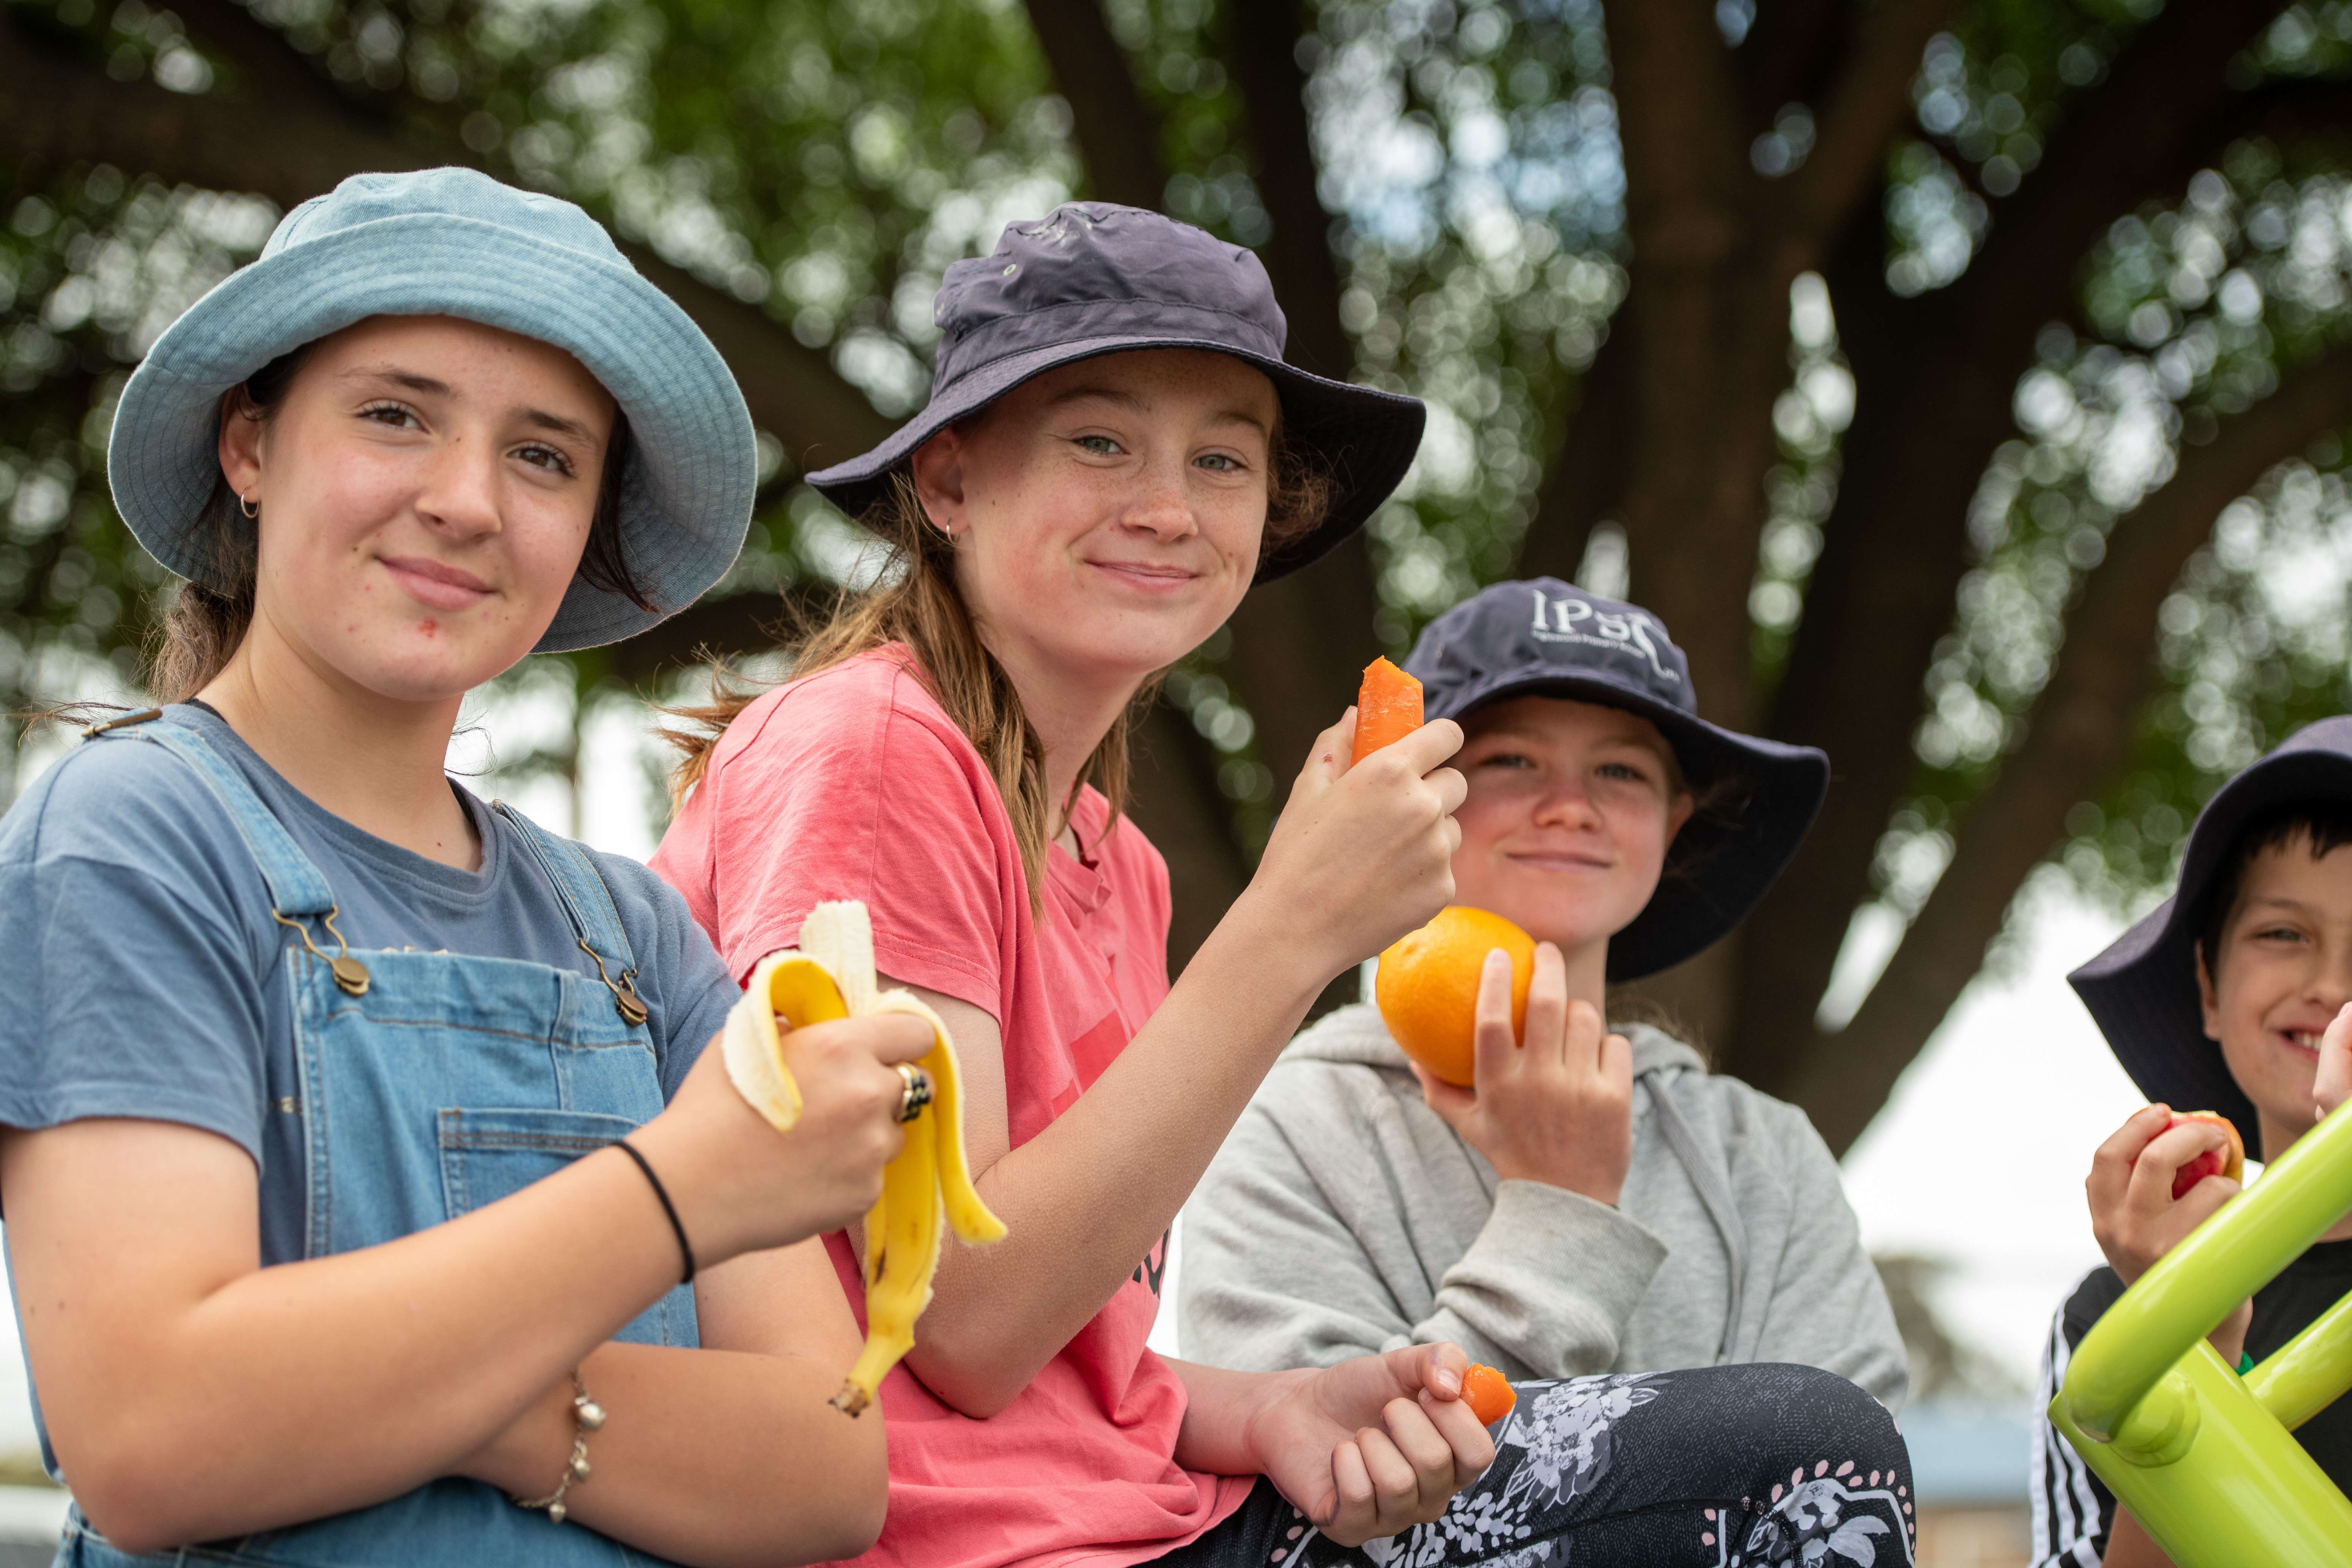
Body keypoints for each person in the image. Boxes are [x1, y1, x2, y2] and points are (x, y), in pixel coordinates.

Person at [656, 205, 1911, 1568]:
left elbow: (1074, 1371)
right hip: (957, 1546)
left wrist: (1278, 1405)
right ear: (948, 482)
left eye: (1221, 459)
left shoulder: (1109, 854)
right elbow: (959, 1315)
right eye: (1098, 438)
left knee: (1819, 1435)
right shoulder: (874, 745)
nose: (1166, 505)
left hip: (1139, 1519)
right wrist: (1292, 922)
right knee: (1798, 1451)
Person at [0, 169, 935, 1568]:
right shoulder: (128, 835)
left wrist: (436, 1392)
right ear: (251, 447)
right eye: (395, 414)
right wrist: (679, 1196)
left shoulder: (634, 936)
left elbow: (824, 1468)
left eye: (544, 455)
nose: (465, 500)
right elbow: (154, 1432)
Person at [1175, 580, 1907, 1392]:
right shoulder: (1284, 1127)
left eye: (1621, 772)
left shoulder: (1766, 1156)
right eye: (1512, 760)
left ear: (1673, 823)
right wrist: (1562, 1213)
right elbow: (1312, 1504)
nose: (1570, 807)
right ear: (1417, 799)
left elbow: (1845, 1488)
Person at [2030, 716, 2352, 1568]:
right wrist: (2189, 1336)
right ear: (2208, 986)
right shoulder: (2109, 1320)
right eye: (2284, 933)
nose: (2332, 985)